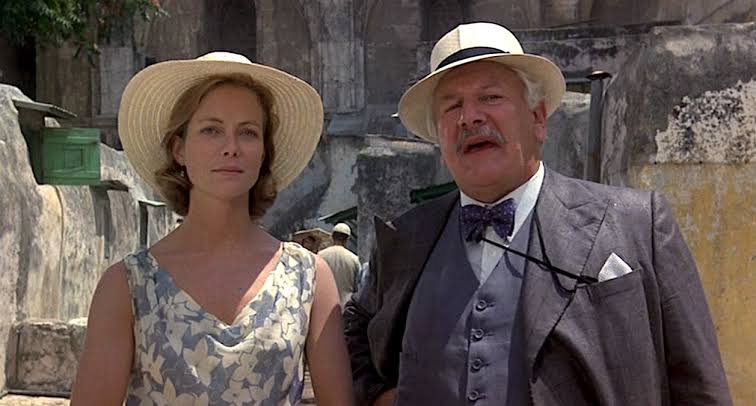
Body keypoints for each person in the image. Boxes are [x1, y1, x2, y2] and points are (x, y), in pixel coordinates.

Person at [343, 22, 731, 406]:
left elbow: (699, 386)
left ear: (538, 118)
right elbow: (353, 326)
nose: (470, 117)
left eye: (491, 97)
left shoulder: (637, 223)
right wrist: (377, 395)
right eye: (452, 105)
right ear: (438, 137)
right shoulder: (406, 238)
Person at [71, 52, 354, 405]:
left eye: (248, 132)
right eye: (211, 130)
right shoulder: (128, 286)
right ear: (179, 149)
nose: (231, 148)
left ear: (263, 152)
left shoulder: (308, 277)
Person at [318, 223, 361, 306]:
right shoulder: (354, 259)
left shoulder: (320, 255)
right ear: (347, 239)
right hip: (346, 306)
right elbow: (358, 287)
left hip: (325, 305)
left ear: (332, 237)